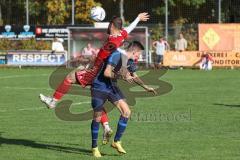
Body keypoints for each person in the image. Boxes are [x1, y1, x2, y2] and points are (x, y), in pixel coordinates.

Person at [39, 12, 149, 109]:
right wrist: (138, 18)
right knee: (96, 100)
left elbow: (118, 52)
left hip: (96, 71)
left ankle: (53, 101)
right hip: (97, 68)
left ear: (112, 26)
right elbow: (129, 28)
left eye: (109, 24)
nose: (108, 26)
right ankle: (106, 127)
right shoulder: (121, 35)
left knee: (69, 78)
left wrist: (128, 56)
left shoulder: (114, 42)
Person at [91, 41, 156, 157]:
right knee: (97, 117)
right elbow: (106, 72)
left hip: (112, 88)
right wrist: (122, 76)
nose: (139, 56)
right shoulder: (116, 55)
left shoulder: (129, 61)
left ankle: (116, 141)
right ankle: (94, 147)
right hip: (99, 87)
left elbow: (134, 76)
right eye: (138, 54)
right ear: (134, 51)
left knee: (126, 112)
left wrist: (146, 87)